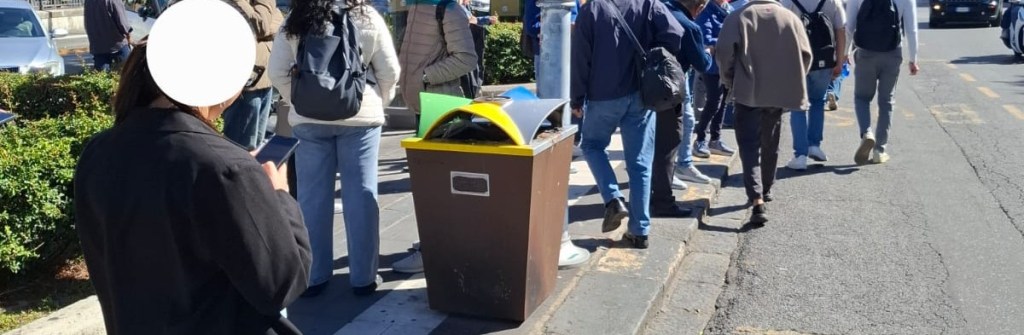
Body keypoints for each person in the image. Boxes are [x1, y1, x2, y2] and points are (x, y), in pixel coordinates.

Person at [74, 39, 312, 333]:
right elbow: (282, 283)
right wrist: (278, 196)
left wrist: (244, 179)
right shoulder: (226, 169)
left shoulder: (97, 152)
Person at [269, 0, 401, 297]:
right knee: (362, 196)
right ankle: (363, 279)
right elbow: (389, 71)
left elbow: (276, 72)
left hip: (308, 120)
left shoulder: (295, 20)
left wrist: (302, 100)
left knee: (312, 198)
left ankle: (314, 276)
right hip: (361, 116)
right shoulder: (367, 16)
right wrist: (378, 100)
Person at [572, 0, 685, 249]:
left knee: (591, 145)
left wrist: (577, 97)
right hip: (641, 92)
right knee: (640, 163)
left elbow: (581, 55)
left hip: (603, 93)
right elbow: (676, 33)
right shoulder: (648, 3)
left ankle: (613, 198)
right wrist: (655, 55)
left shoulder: (592, 8)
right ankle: (640, 230)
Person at [717, 0, 812, 224]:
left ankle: (756, 197)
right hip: (778, 91)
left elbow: (723, 53)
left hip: (748, 90)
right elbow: (806, 55)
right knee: (771, 139)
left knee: (749, 145)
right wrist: (792, 80)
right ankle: (767, 188)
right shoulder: (790, 18)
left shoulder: (739, 17)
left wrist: (730, 79)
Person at [652, 0, 713, 218]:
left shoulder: (657, 12)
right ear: (701, 6)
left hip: (642, 87)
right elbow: (703, 64)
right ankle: (662, 202)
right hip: (669, 93)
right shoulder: (689, 27)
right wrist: (708, 50)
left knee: (644, 146)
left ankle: (646, 196)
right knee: (668, 147)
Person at [846, 0, 918, 164]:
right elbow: (911, 29)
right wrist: (913, 59)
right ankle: (880, 150)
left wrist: (844, 53)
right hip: (892, 53)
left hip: (865, 53)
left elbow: (849, 25)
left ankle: (866, 133)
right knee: (886, 101)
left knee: (862, 98)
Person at [781, 0, 846, 170]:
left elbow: (780, 29)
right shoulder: (832, 1)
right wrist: (839, 61)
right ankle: (814, 145)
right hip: (824, 60)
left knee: (798, 106)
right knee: (818, 101)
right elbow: (841, 30)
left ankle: (800, 155)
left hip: (797, 59)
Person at [397, 0, 477, 118]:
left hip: (441, 106)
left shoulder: (451, 9)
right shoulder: (417, 7)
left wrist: (424, 77)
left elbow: (466, 59)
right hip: (421, 104)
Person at [221, 0, 284, 151]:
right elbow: (262, 24)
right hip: (243, 83)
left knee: (255, 150)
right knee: (240, 150)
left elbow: (280, 23)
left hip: (263, 78)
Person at [693, 0, 736, 159]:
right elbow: (705, 38)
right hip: (712, 66)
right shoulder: (705, 11)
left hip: (726, 64)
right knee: (714, 102)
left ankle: (715, 139)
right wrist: (729, 42)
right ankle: (700, 139)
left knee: (723, 102)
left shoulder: (728, 9)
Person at [83, 0, 131, 71]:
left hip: (98, 47)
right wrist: (129, 37)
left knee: (103, 77)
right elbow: (123, 24)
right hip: (118, 44)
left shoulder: (88, 2)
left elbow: (87, 23)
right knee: (126, 73)